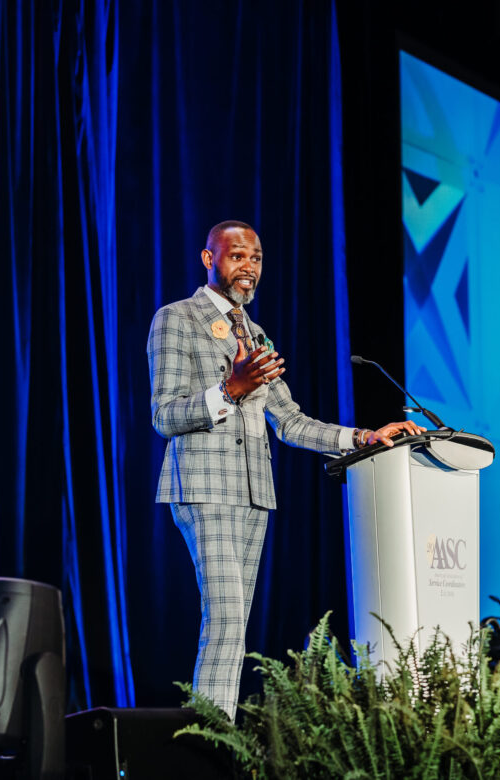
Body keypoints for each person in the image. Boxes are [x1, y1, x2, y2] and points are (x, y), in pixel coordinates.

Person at [147, 220, 423, 718]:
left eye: (256, 258)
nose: (248, 267)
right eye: (236, 255)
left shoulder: (256, 335)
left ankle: (217, 732)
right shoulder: (177, 318)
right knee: (227, 618)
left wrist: (364, 438)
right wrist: (228, 390)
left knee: (234, 625)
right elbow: (164, 415)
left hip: (255, 494)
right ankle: (209, 743)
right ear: (209, 260)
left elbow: (291, 422)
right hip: (204, 487)